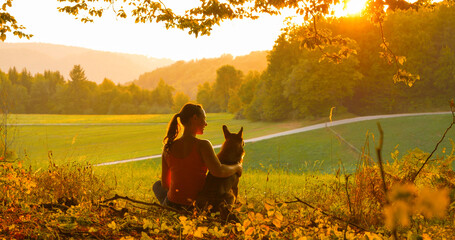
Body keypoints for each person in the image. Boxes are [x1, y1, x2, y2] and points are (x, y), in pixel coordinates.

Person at [153, 103, 243, 210]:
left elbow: (165, 184)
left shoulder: (168, 147)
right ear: (194, 118)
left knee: (157, 185)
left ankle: (165, 206)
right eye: (204, 119)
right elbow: (219, 171)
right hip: (195, 205)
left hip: (171, 204)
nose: (206, 124)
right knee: (158, 185)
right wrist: (237, 167)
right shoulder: (203, 145)